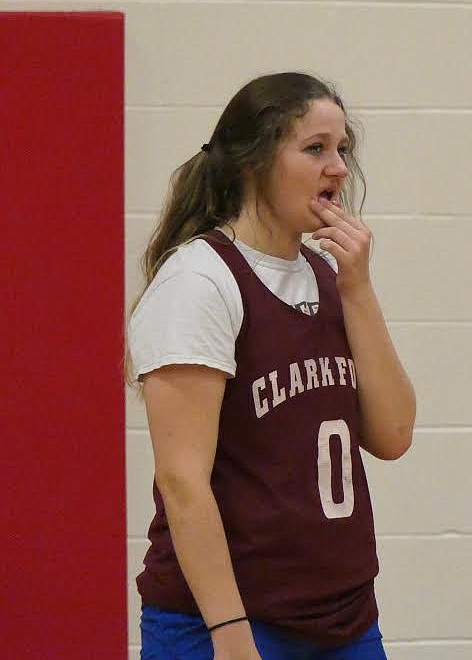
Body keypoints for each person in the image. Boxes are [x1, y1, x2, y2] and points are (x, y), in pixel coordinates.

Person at [129, 72, 416, 660]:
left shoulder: (331, 277)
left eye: (343, 149)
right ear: (254, 162)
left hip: (344, 616)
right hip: (230, 623)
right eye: (315, 149)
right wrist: (230, 635)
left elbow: (392, 434)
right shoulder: (199, 280)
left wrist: (359, 289)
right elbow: (183, 483)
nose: (338, 167)